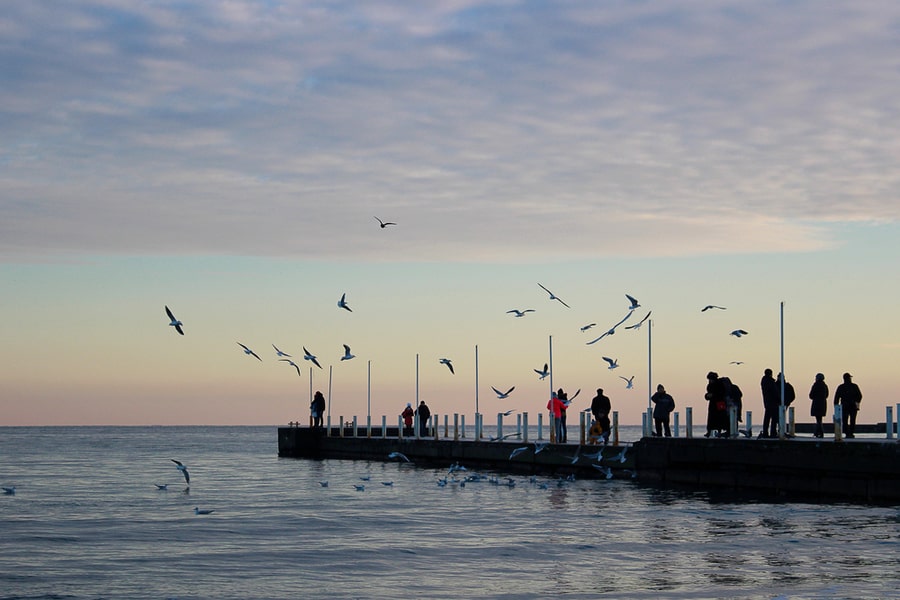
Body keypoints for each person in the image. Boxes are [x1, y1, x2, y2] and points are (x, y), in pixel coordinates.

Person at [833, 372, 862, 438]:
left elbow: (836, 397)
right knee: (852, 420)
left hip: (845, 406)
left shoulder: (841, 387)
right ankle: (850, 433)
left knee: (845, 420)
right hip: (852, 406)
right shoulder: (854, 386)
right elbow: (859, 396)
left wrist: (836, 406)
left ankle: (847, 433)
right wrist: (856, 402)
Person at [760, 368, 780, 438]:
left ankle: (765, 432)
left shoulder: (764, 381)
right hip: (773, 403)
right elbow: (774, 392)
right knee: (774, 419)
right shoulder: (770, 382)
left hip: (767, 402)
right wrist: (779, 399)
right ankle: (773, 433)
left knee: (767, 418)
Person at [808, 373, 829, 438]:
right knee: (819, 419)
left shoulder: (815, 385)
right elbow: (827, 395)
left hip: (816, 404)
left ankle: (819, 432)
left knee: (818, 419)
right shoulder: (825, 386)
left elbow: (811, 395)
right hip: (823, 404)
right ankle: (818, 432)